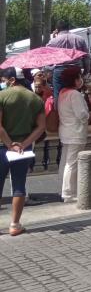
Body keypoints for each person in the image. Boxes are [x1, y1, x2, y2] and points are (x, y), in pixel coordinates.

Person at [0, 68, 46, 236]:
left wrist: (9, 144)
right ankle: (14, 224)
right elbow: (41, 127)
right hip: (23, 148)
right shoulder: (34, 98)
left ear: (11, 80)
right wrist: (23, 144)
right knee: (19, 186)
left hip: (2, 146)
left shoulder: (2, 96)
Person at [57, 67, 89, 202]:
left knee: (66, 161)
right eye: (78, 77)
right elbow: (81, 114)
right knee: (72, 163)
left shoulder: (62, 93)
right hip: (75, 132)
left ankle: (64, 189)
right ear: (74, 80)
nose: (80, 80)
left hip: (65, 130)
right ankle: (68, 193)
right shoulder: (74, 94)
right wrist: (89, 115)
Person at [47, 20, 90, 102]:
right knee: (76, 94)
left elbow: (48, 57)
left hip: (60, 71)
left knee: (58, 96)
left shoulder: (53, 41)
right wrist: (86, 71)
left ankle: (58, 113)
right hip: (75, 69)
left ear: (57, 29)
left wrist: (53, 37)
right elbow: (86, 57)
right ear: (68, 28)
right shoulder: (80, 39)